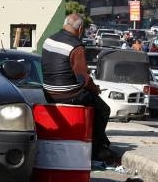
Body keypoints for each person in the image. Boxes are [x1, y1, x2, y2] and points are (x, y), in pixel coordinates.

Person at [42, 13, 115, 163]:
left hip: (48, 92)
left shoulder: (48, 40)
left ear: (64, 24)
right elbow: (83, 79)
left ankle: (99, 143)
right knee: (103, 109)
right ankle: (96, 149)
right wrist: (96, 89)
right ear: (80, 28)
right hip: (69, 95)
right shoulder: (76, 46)